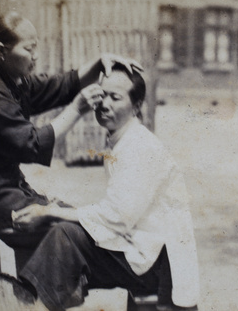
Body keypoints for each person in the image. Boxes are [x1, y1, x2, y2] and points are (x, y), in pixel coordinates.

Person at [0, 11, 141, 262]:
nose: (36, 56)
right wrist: (76, 110)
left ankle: (35, 294)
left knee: (59, 216)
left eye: (36, 47)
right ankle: (33, 294)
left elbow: (59, 85)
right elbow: (32, 144)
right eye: (29, 49)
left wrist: (99, 62)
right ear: (1, 51)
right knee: (50, 224)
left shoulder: (12, 81)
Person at [12, 64, 199, 311]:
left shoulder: (139, 146)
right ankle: (34, 300)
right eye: (102, 94)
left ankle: (32, 306)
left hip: (160, 264)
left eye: (115, 97)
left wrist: (51, 211)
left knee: (66, 236)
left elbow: (117, 217)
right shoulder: (121, 139)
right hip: (141, 247)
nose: (104, 104)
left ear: (136, 105)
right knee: (61, 230)